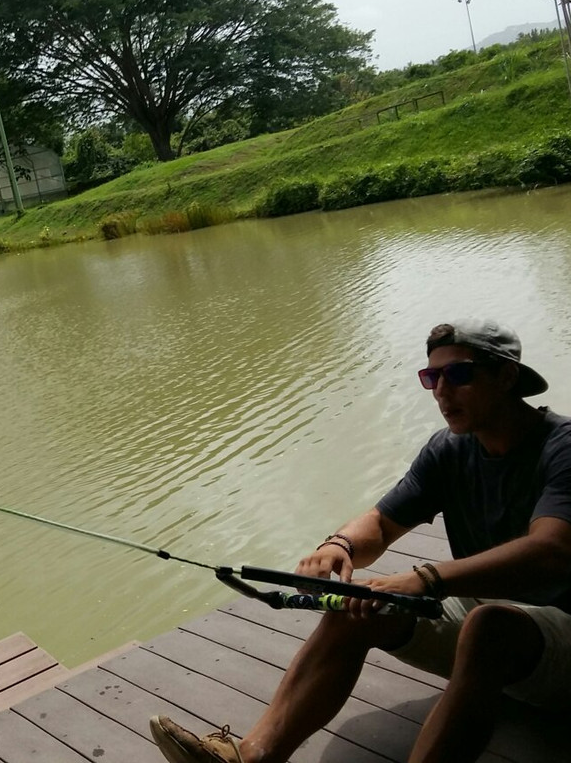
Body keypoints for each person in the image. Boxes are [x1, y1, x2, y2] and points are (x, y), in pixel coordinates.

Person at [149, 320, 571, 763]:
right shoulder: (449, 450)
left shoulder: (561, 448)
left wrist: (426, 578)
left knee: (489, 627)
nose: (442, 391)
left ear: (506, 376)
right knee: (356, 605)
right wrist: (340, 546)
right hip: (494, 622)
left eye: (459, 374)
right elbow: (382, 524)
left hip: (556, 630)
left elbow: (552, 552)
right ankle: (250, 757)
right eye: (432, 377)